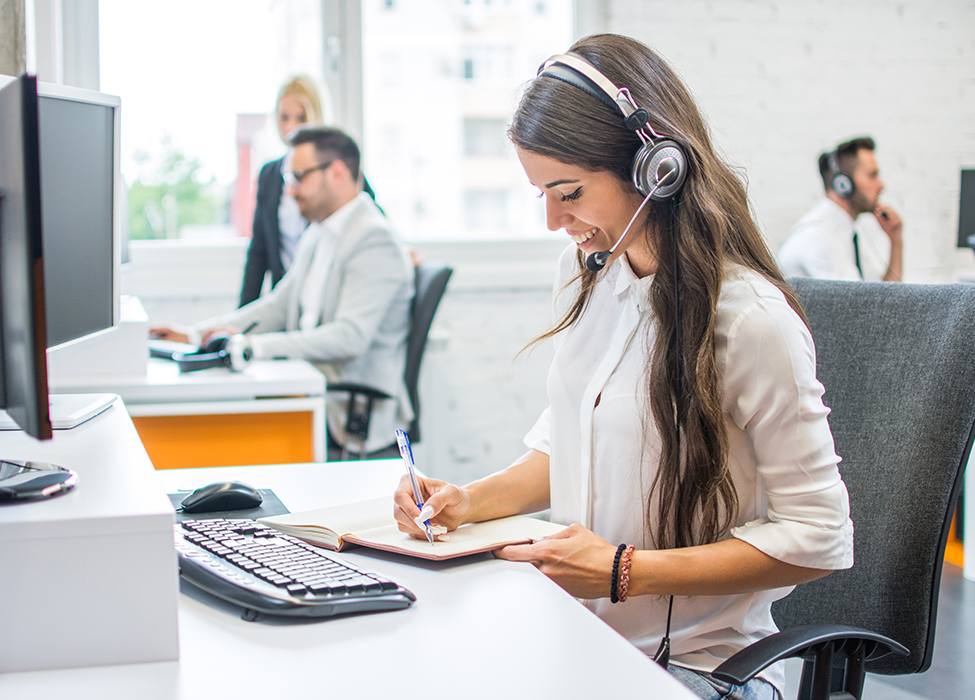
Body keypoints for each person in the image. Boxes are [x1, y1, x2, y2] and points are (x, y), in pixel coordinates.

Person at [392, 35, 853, 700]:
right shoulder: (587, 276)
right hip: (578, 643)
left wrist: (626, 571)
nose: (553, 219)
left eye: (568, 191)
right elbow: (576, 437)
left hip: (699, 670)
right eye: (540, 194)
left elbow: (819, 535)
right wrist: (468, 502)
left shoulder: (751, 322)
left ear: (655, 169)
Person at [153, 126, 414, 454]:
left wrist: (253, 347)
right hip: (312, 389)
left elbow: (350, 337)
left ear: (336, 173)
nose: (290, 191)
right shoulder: (320, 232)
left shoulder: (373, 240)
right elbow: (278, 305)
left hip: (346, 413)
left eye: (298, 178)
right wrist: (197, 334)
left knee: (224, 434)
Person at [239, 76, 380, 307]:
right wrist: (238, 324)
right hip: (286, 299)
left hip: (327, 299)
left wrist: (403, 249)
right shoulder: (269, 175)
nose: (291, 127)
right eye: (284, 117)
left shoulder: (338, 172)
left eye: (301, 117)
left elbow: (370, 219)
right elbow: (259, 251)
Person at [777, 137, 903, 281]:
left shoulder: (840, 233)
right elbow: (866, 303)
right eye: (872, 175)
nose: (881, 185)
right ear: (843, 184)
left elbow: (886, 296)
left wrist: (896, 241)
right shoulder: (821, 237)